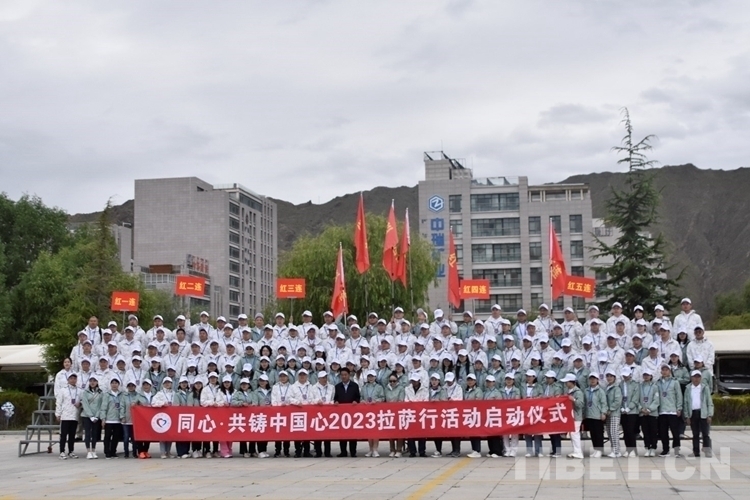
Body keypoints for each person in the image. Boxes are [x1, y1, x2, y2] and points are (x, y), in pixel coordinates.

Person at [683, 370, 713, 458]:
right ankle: (696, 451)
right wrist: (687, 416)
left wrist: (709, 415)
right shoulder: (688, 388)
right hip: (693, 413)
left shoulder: (705, 388)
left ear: (701, 378)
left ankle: (707, 450)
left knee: (705, 433)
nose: (696, 379)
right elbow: (685, 403)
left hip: (703, 413)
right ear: (691, 378)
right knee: (695, 434)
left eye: (698, 377)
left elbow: (709, 402)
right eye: (694, 377)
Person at [334, 367, 361, 457]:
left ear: (349, 375)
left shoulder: (354, 385)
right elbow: (335, 398)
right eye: (342, 375)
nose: (344, 376)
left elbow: (358, 397)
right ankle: (343, 451)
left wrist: (355, 401)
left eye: (345, 375)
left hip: (352, 412)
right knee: (342, 433)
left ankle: (353, 452)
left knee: (352, 433)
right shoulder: (337, 386)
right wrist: (336, 402)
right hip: (341, 413)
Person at [657, 364, 683, 457]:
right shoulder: (658, 382)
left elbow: (679, 395)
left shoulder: (675, 382)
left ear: (670, 371)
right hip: (662, 411)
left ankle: (676, 450)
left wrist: (679, 408)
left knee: (675, 432)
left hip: (672, 410)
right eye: (663, 370)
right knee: (663, 432)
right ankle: (665, 450)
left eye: (666, 370)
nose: (664, 372)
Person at [55, 372, 81, 459]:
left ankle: (71, 451)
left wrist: (80, 404)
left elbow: (82, 400)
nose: (73, 380)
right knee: (63, 435)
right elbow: (59, 402)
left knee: (72, 435)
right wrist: (58, 414)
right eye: (71, 378)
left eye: (74, 378)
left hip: (74, 415)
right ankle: (62, 451)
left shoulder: (79, 390)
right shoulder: (63, 390)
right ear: (68, 380)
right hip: (65, 415)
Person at [289, 369, 313, 458]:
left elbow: (313, 397)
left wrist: (308, 403)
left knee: (307, 432)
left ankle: (307, 451)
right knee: (297, 432)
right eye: (300, 375)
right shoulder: (293, 386)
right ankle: (298, 451)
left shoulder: (310, 386)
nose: (302, 376)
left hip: (308, 412)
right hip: (297, 411)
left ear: (307, 376)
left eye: (304, 375)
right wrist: (297, 402)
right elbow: (289, 398)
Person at [361, 370, 385, 457]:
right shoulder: (364, 387)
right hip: (367, 410)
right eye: (369, 376)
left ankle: (375, 449)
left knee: (375, 430)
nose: (370, 378)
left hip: (376, 410)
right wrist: (362, 401)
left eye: (372, 376)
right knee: (369, 430)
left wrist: (376, 401)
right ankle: (370, 449)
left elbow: (383, 397)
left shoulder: (379, 387)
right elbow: (361, 397)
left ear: (375, 377)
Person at [404, 372, 429, 457]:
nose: (414, 382)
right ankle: (412, 451)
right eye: (412, 381)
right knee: (410, 432)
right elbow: (406, 400)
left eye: (415, 381)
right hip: (410, 413)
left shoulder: (425, 389)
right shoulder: (407, 389)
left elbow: (426, 400)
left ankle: (422, 451)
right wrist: (413, 404)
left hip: (421, 413)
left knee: (422, 433)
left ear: (419, 381)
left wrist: (416, 404)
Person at [583, 373, 607, 458]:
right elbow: (585, 403)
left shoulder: (600, 391)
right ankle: (596, 449)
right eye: (591, 379)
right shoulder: (586, 391)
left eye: (594, 379)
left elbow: (604, 403)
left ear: (597, 380)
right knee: (593, 434)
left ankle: (600, 450)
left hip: (597, 415)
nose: (592, 380)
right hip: (589, 415)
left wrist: (603, 413)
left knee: (598, 434)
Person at [231, 377, 256, 458]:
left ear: (248, 385)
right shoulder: (237, 393)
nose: (244, 386)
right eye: (242, 384)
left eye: (245, 384)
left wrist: (253, 404)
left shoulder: (252, 393)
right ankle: (244, 451)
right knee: (243, 433)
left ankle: (252, 450)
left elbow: (256, 401)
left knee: (252, 433)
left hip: (251, 415)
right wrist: (241, 403)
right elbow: (233, 402)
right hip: (241, 416)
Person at [81, 374, 103, 459]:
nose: (92, 382)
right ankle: (88, 451)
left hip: (96, 416)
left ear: (97, 382)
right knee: (87, 433)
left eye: (94, 381)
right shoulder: (85, 392)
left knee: (94, 433)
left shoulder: (100, 392)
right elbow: (85, 404)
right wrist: (90, 416)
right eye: (91, 381)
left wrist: (97, 416)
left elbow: (100, 405)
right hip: (87, 416)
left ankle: (93, 450)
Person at [152, 376, 175, 458]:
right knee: (162, 434)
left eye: (169, 382)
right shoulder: (160, 393)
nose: (167, 384)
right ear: (163, 384)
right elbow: (153, 403)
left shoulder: (174, 393)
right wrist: (162, 404)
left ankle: (168, 452)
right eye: (166, 383)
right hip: (163, 416)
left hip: (172, 416)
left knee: (170, 435)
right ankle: (162, 452)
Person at [619, 368, 641, 457]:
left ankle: (633, 450)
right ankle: (628, 449)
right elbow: (619, 396)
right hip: (623, 411)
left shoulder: (635, 384)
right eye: (624, 375)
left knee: (631, 431)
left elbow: (635, 398)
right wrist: (621, 408)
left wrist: (629, 408)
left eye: (627, 375)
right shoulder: (620, 384)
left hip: (632, 412)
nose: (625, 376)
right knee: (625, 431)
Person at [99, 377, 123, 459]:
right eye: (112, 383)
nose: (114, 385)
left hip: (118, 420)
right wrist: (103, 418)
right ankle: (107, 452)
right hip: (109, 419)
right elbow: (103, 407)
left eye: (116, 383)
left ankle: (113, 452)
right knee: (107, 437)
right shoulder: (107, 395)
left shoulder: (121, 394)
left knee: (116, 437)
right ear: (110, 384)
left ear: (118, 385)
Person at [639, 369, 661, 456]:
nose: (646, 377)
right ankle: (647, 447)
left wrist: (649, 409)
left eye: (647, 375)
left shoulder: (655, 387)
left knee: (653, 431)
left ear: (651, 376)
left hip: (652, 413)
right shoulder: (640, 386)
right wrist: (641, 409)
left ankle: (653, 448)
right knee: (645, 431)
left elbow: (656, 400)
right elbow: (636, 399)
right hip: (642, 413)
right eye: (644, 375)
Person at [383, 371, 406, 457]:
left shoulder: (401, 388)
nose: (392, 383)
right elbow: (385, 399)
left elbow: (401, 399)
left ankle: (399, 449)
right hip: (389, 411)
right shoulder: (386, 388)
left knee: (399, 431)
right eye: (390, 381)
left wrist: (394, 404)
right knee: (391, 431)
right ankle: (392, 449)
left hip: (398, 411)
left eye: (394, 381)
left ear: (397, 381)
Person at [562, 373, 584, 459]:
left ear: (572, 382)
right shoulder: (568, 391)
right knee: (572, 434)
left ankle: (578, 452)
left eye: (567, 382)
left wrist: (573, 400)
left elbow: (581, 404)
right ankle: (576, 451)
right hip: (570, 416)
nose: (566, 383)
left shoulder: (578, 392)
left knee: (575, 434)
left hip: (576, 416)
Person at [271, 371, 292, 457]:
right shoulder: (275, 387)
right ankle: (278, 450)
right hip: (278, 412)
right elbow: (273, 400)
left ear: (287, 377)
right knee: (278, 432)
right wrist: (279, 405)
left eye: (284, 376)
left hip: (288, 412)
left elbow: (292, 398)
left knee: (287, 433)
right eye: (281, 376)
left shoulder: (291, 387)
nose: (283, 378)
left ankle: (286, 451)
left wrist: (287, 405)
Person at [522, 370, 543, 457]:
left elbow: (542, 396)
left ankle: (539, 451)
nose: (528, 378)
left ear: (534, 377)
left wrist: (535, 398)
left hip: (536, 410)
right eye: (527, 376)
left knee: (537, 431)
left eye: (530, 376)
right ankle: (529, 451)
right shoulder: (523, 386)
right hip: (526, 410)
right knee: (527, 431)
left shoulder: (539, 386)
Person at [604, 369, 623, 458]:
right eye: (608, 376)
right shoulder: (606, 387)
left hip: (614, 413)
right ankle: (613, 450)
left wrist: (610, 409)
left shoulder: (616, 388)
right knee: (609, 432)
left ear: (614, 377)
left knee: (614, 432)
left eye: (611, 376)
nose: (609, 378)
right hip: (608, 413)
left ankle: (616, 451)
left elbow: (617, 401)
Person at [464, 374, 483, 458]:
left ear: (475, 381)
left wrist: (469, 402)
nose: (470, 382)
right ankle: (474, 449)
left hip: (476, 413)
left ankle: (477, 450)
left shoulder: (478, 390)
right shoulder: (466, 390)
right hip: (468, 413)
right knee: (471, 432)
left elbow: (478, 400)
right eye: (468, 380)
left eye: (471, 380)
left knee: (476, 432)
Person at [172, 377, 192, 458]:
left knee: (187, 434)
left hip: (189, 415)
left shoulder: (189, 393)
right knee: (180, 434)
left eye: (185, 383)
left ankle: (186, 451)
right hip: (180, 416)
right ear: (179, 384)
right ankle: (180, 452)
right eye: (182, 383)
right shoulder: (177, 394)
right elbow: (176, 405)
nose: (184, 384)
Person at [253, 374, 272, 458]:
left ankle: (264, 450)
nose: (262, 382)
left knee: (266, 433)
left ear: (267, 382)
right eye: (260, 381)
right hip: (260, 414)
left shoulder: (270, 391)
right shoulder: (256, 392)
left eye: (264, 381)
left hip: (269, 414)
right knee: (260, 433)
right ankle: (260, 451)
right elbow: (255, 402)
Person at [120, 379, 139, 459]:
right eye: (129, 386)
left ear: (135, 386)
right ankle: (126, 453)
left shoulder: (138, 395)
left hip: (135, 420)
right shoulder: (124, 396)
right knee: (126, 437)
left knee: (134, 437)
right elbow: (122, 407)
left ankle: (135, 453)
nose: (131, 387)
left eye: (132, 386)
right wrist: (122, 417)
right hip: (126, 419)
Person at [135, 379, 154, 458]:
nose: (146, 386)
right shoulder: (139, 395)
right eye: (144, 385)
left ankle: (146, 450)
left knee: (148, 435)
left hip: (151, 418)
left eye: (147, 385)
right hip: (141, 418)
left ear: (150, 386)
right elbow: (133, 404)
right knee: (140, 435)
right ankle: (140, 451)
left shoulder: (154, 395)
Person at [217, 375, 234, 458]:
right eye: (225, 382)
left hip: (232, 415)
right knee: (223, 433)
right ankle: (224, 451)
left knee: (231, 432)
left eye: (228, 382)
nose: (227, 384)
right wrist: (223, 404)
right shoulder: (219, 392)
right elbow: (217, 402)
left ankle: (229, 450)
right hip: (222, 415)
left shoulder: (235, 391)